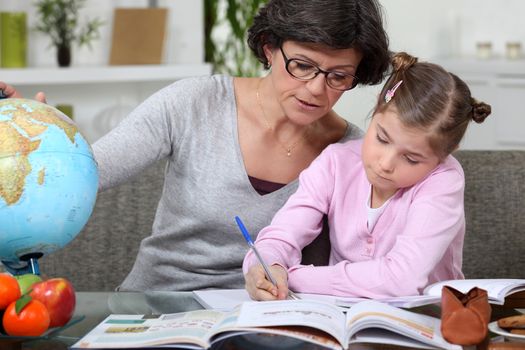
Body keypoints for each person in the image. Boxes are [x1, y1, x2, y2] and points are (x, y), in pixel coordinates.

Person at [0, 0, 390, 291]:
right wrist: (34, 135)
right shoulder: (193, 102)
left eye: (338, 77)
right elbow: (92, 170)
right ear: (270, 48)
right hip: (155, 306)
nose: (316, 89)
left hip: (265, 318)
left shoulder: (358, 153)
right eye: (302, 65)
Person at [243, 52, 492, 301]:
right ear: (375, 109)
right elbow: (282, 235)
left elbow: (402, 279)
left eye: (411, 159)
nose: (385, 164)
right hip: (339, 315)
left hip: (427, 320)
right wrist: (267, 266)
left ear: (445, 155)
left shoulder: (444, 180)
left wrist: (294, 277)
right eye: (382, 138)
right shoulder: (336, 162)